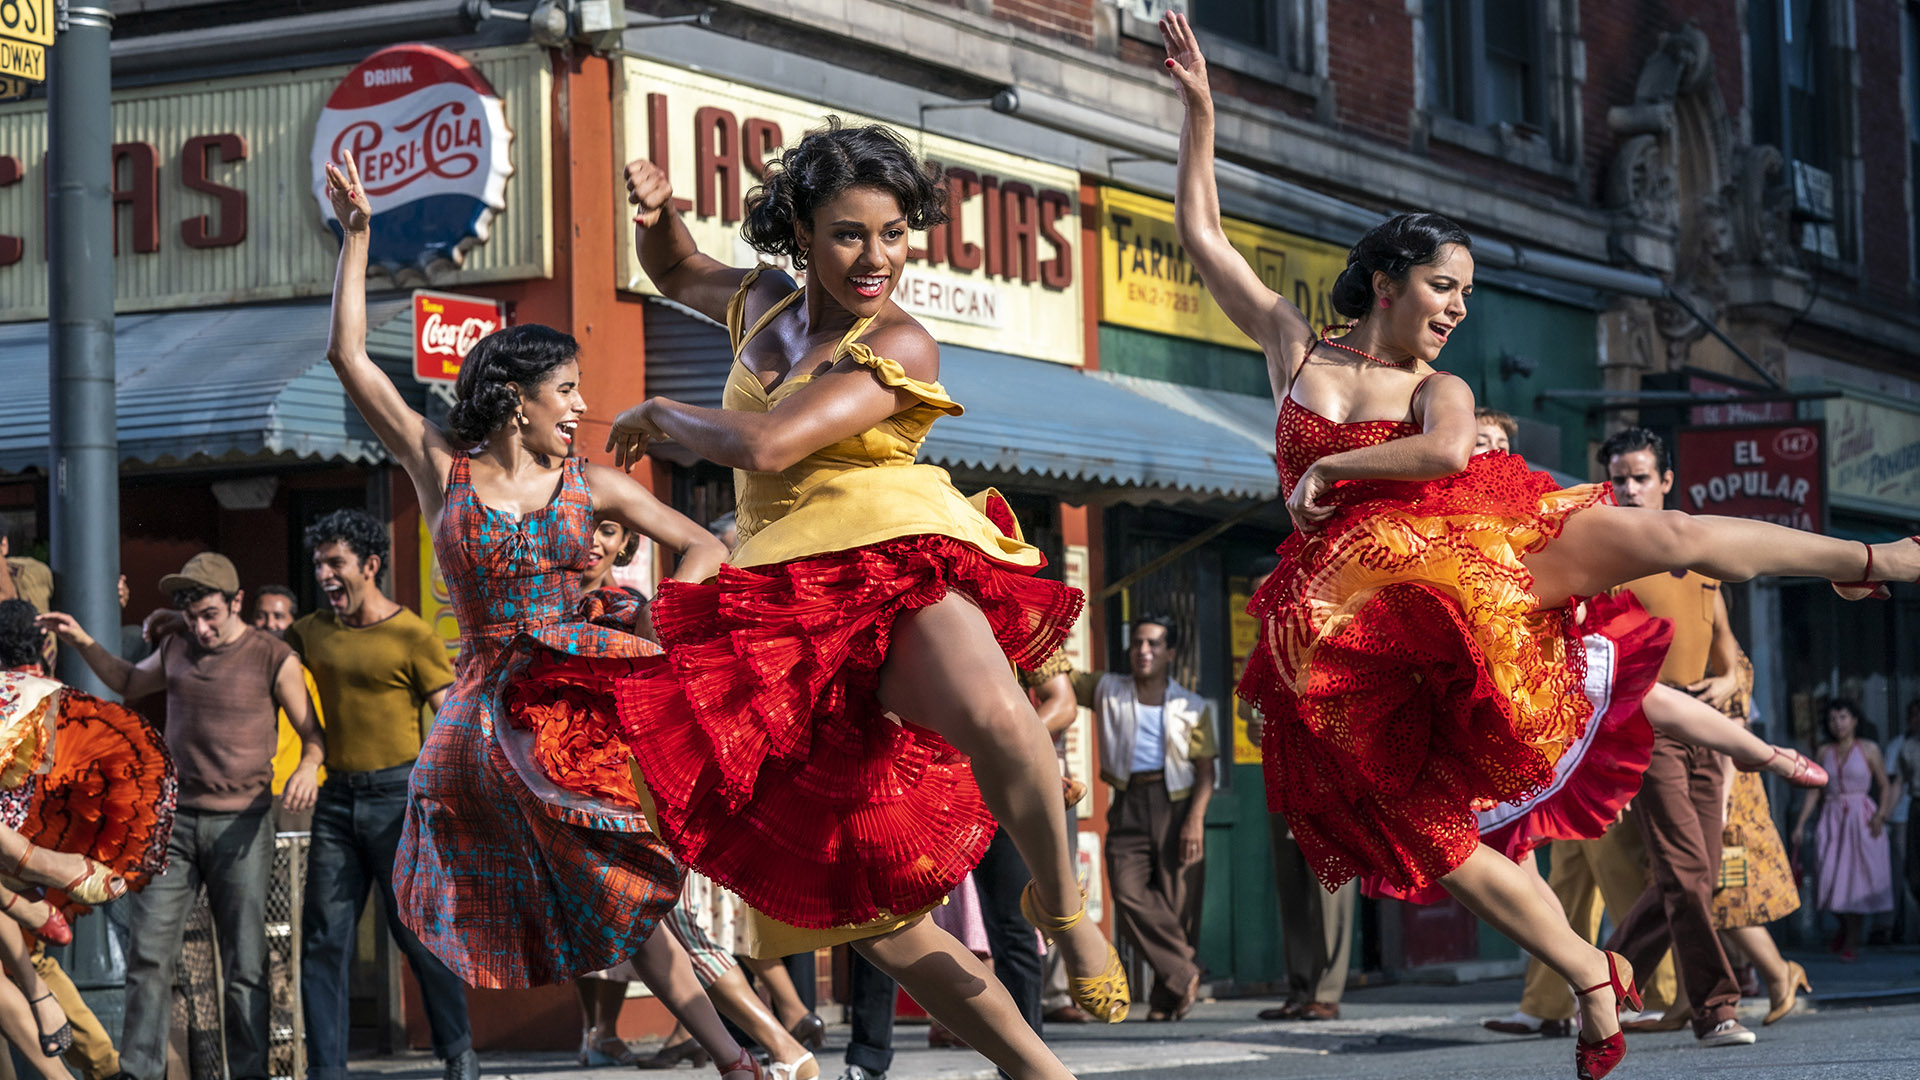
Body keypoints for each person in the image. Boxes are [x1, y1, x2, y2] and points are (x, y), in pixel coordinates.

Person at [1159, 13, 1918, 1079]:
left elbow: (1443, 454)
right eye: (1443, 288)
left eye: (1467, 295)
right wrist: (1199, 110)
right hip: (1353, 627)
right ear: (1387, 282)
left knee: (1670, 533)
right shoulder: (1294, 347)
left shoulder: (1442, 388)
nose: (1458, 309)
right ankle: (1587, 971)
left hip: (1477, 553)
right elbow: (1204, 237)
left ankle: (1877, 563)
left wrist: (1335, 470)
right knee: (1433, 840)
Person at [539, 117, 1122, 1080]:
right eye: (850, 233)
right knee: (875, 915)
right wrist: (658, 213)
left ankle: (1064, 911)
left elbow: (769, 445)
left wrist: (659, 414)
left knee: (1003, 719)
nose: (876, 257)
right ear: (801, 231)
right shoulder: (764, 306)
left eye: (894, 233)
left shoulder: (900, 341)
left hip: (889, 561)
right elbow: (678, 270)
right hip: (779, 609)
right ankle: (1039, 1073)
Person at [320, 152, 765, 1079]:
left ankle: (735, 1055)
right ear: (516, 401)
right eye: (566, 391)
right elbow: (350, 359)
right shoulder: (439, 465)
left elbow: (704, 545)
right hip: (480, 717)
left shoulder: (590, 482)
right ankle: (716, 1044)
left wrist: (666, 638)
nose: (582, 405)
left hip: (580, 708)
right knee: (495, 876)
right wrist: (357, 239)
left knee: (624, 894)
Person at [40, 551, 309, 1080]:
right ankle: (140, 1072)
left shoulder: (272, 657)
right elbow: (126, 680)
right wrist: (81, 639)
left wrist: (308, 767)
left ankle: (250, 1072)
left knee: (246, 966)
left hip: (244, 826)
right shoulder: (177, 644)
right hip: (178, 826)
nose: (202, 627)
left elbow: (314, 734)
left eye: (211, 613)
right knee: (149, 955)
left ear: (236, 603)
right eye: (192, 617)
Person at [284, 509, 474, 1080]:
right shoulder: (310, 632)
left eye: (335, 562)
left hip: (399, 799)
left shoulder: (411, 634)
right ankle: (327, 1072)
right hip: (336, 802)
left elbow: (450, 719)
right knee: (322, 942)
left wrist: (454, 796)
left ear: (370, 565)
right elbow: (264, 662)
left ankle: (459, 1053)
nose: (324, 574)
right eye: (318, 563)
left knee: (417, 937)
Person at [0, 600, 172, 1080]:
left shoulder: (21, 699)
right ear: (46, 646)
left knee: (29, 964)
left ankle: (103, 1068)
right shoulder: (51, 695)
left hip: (38, 853)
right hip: (53, 846)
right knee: (24, 964)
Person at [1079, 614, 1213, 1021]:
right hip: (1128, 800)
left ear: (1170, 652)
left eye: (1154, 644)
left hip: (1177, 803)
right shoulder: (1108, 688)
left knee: (1176, 903)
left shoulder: (1192, 705)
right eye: (1138, 643)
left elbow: (1206, 770)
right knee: (1126, 889)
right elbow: (1060, 676)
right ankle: (1184, 971)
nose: (1144, 651)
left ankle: (1165, 999)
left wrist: (1195, 820)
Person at [1245, 561, 1358, 1025]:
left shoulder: (1325, 644)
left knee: (1329, 890)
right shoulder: (1263, 654)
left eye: (1265, 598)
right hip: (1282, 776)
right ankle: (1299, 987)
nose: (1260, 609)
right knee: (1291, 888)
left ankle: (1326, 991)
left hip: (1325, 778)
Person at [1793, 699, 1896, 961]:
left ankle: (1852, 940)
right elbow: (1815, 790)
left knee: (1858, 880)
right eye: (1832, 719)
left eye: (1843, 717)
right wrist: (1801, 823)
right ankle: (1842, 926)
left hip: (1861, 818)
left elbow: (1885, 784)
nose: (1838, 724)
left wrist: (1881, 815)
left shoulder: (1870, 749)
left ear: (1854, 720)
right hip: (1832, 818)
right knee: (1827, 876)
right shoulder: (1824, 752)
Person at [1888, 701, 1920, 939]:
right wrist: (1884, 815)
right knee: (1913, 873)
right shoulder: (1907, 746)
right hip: (1916, 806)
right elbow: (1898, 782)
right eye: (1913, 716)